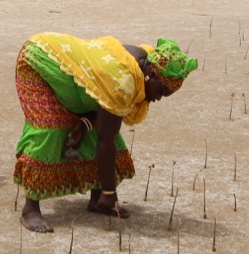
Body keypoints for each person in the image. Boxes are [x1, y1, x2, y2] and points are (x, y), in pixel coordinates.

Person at [13, 33, 198, 232]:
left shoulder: (149, 59)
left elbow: (104, 110)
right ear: (151, 75)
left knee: (101, 126)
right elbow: (105, 140)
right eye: (160, 91)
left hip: (69, 68)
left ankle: (97, 198)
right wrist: (111, 193)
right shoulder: (123, 81)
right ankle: (30, 209)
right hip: (38, 59)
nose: (159, 98)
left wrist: (85, 123)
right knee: (49, 128)